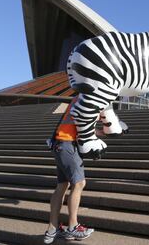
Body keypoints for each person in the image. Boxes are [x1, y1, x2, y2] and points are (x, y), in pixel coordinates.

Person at [44, 99, 94, 244]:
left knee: (61, 186)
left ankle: (52, 229)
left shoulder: (77, 99)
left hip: (60, 143)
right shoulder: (88, 99)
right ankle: (73, 226)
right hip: (68, 144)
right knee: (79, 184)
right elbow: (84, 128)